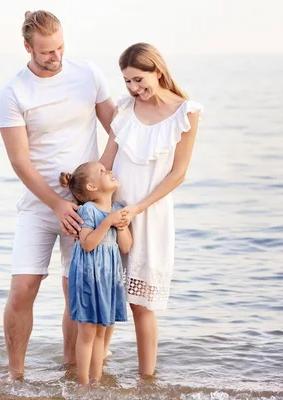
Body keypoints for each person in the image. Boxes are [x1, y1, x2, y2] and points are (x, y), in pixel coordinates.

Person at [0, 10, 117, 380]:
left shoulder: (88, 75)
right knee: (22, 289)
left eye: (60, 47)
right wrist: (57, 203)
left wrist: (98, 190)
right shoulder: (14, 92)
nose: (56, 56)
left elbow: (118, 130)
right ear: (27, 47)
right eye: (47, 51)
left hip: (86, 209)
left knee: (76, 289)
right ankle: (15, 376)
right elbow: (19, 161)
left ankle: (72, 370)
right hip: (39, 206)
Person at [98, 42, 203, 376]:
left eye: (139, 80)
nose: (134, 88)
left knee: (141, 304)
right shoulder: (125, 109)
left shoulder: (186, 112)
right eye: (127, 81)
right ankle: (96, 372)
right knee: (109, 296)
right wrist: (92, 205)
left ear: (158, 71)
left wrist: (139, 208)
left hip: (151, 214)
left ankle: (147, 381)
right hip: (113, 212)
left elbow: (179, 174)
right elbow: (106, 161)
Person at [59, 162, 132, 385]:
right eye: (102, 171)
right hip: (89, 276)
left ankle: (96, 380)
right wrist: (108, 221)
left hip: (108, 277)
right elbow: (88, 243)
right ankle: (82, 383)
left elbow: (126, 247)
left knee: (101, 331)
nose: (109, 171)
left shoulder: (117, 208)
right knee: (88, 332)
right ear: (91, 186)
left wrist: (121, 226)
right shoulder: (88, 210)